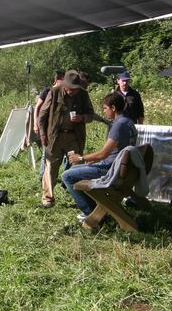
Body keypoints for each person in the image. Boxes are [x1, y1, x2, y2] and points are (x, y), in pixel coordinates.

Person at [63, 93, 136, 221]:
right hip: (121, 167)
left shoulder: (118, 125)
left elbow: (103, 154)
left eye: (105, 108)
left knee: (67, 176)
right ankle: (96, 208)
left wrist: (81, 158)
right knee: (72, 171)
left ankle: (91, 213)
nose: (104, 111)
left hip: (111, 169)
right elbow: (110, 152)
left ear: (113, 108)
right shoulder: (129, 122)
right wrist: (92, 159)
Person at [37, 70, 94, 208]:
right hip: (54, 137)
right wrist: (43, 134)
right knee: (50, 167)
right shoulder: (54, 92)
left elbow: (90, 114)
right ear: (65, 85)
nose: (73, 92)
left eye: (76, 89)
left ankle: (80, 197)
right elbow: (42, 115)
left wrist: (82, 118)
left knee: (77, 166)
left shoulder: (83, 95)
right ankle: (48, 198)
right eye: (71, 89)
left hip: (74, 137)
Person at [29, 70, 65, 146]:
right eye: (62, 79)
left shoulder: (64, 92)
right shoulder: (47, 91)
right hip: (45, 122)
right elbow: (38, 107)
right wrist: (35, 124)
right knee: (46, 147)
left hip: (56, 124)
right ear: (56, 80)